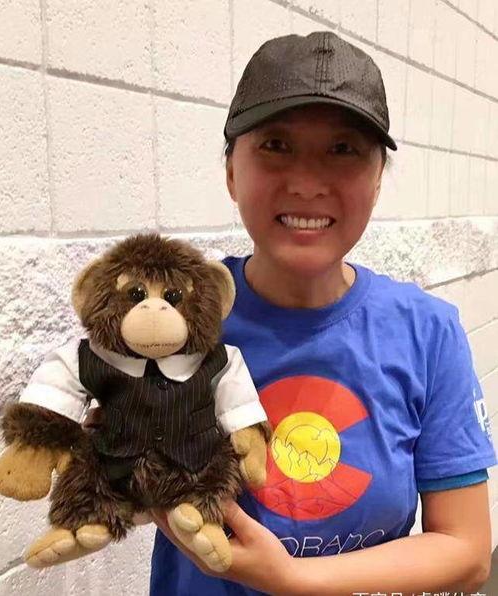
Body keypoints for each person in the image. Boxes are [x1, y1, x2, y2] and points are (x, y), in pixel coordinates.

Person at [149, 31, 496, 595]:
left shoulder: (427, 331)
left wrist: (293, 578)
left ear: (377, 180)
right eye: (276, 145)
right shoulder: (173, 321)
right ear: (232, 172)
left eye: (343, 149)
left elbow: (467, 549)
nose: (307, 184)